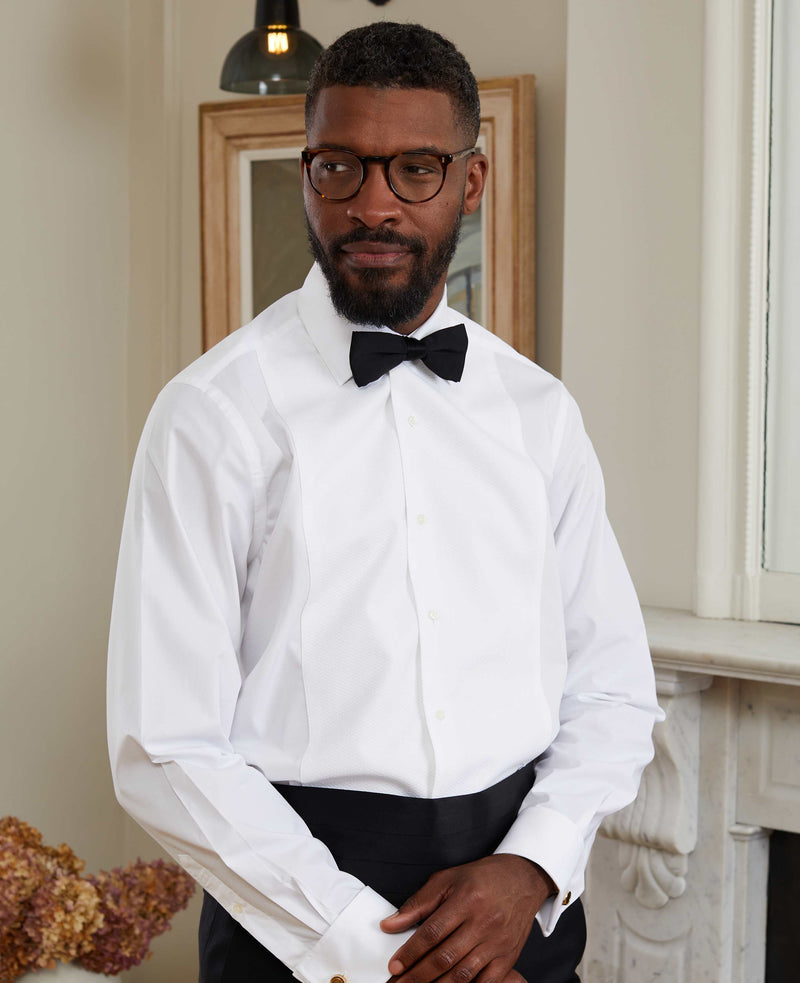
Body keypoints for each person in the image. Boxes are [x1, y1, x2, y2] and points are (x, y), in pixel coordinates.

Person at [107, 21, 662, 983]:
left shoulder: (540, 412)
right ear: (306, 171)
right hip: (296, 923)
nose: (374, 205)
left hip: (518, 918)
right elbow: (164, 744)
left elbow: (611, 687)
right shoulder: (211, 416)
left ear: (469, 184)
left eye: (414, 169)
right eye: (341, 168)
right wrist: (367, 948)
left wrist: (530, 867)